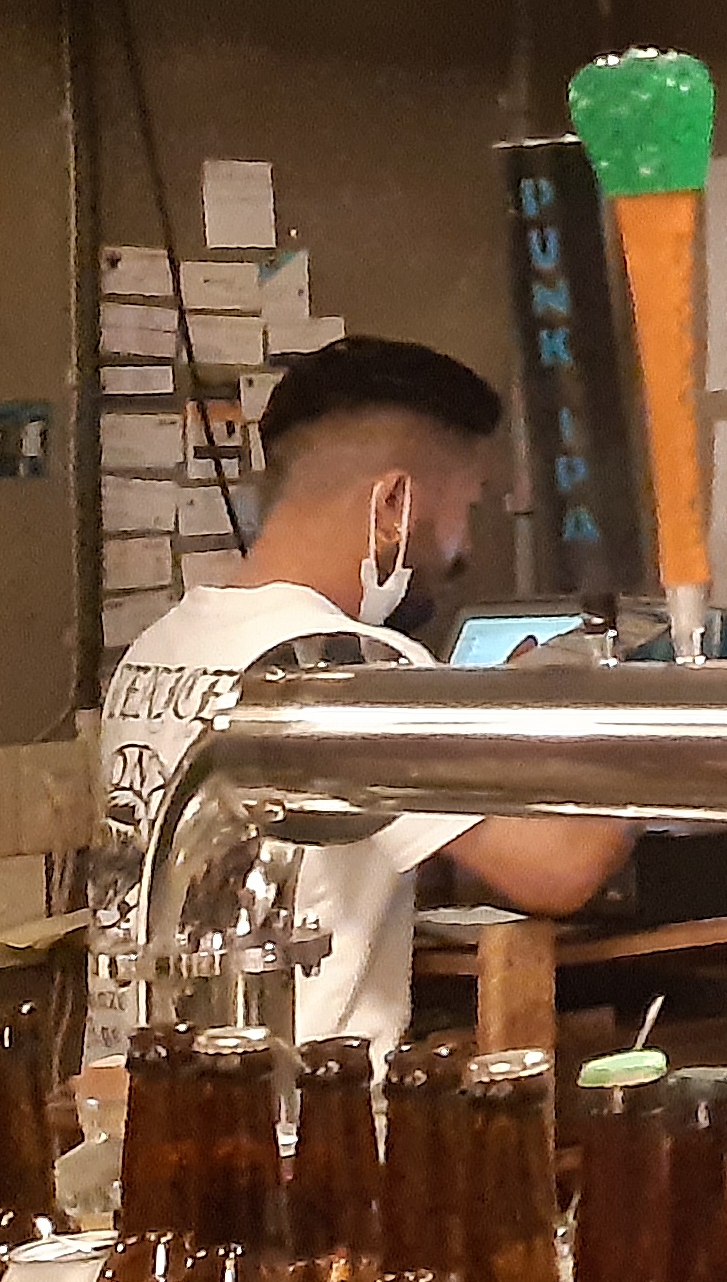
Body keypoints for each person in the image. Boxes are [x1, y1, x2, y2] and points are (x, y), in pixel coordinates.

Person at [85, 336, 631, 1060]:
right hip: (300, 1110)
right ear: (395, 502)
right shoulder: (344, 666)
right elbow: (562, 869)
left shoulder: (161, 647)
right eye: (465, 508)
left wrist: (486, 721)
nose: (462, 548)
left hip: (144, 1094)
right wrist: (652, 729)